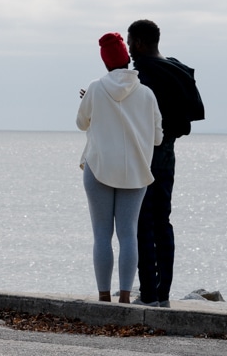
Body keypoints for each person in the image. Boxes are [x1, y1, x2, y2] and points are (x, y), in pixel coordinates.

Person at [76, 32, 163, 304]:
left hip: (99, 167)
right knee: (129, 235)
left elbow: (81, 123)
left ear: (105, 62)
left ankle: (104, 297)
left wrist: (92, 103)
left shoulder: (95, 88)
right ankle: (125, 297)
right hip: (135, 172)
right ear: (127, 59)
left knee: (102, 235)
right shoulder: (147, 94)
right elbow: (158, 138)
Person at [127, 19, 205, 308]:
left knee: (142, 223)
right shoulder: (177, 69)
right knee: (162, 221)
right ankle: (163, 293)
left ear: (139, 43)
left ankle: (148, 293)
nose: (129, 49)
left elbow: (131, 115)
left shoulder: (143, 75)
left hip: (145, 154)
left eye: (130, 43)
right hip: (168, 153)